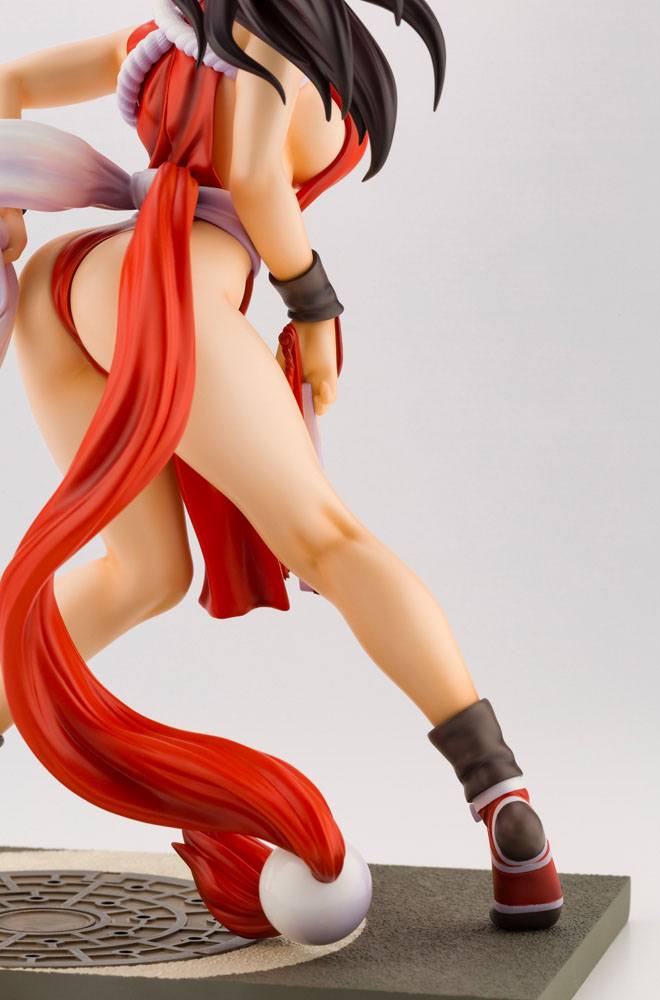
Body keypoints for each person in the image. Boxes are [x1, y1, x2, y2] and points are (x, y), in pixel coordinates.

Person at [0, 0, 563, 944]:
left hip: (70, 282)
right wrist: (312, 307)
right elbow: (258, 178)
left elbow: (9, 80)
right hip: (166, 289)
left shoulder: (164, 39)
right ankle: (501, 796)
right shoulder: (267, 50)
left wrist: (12, 207)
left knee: (145, 573)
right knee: (328, 541)